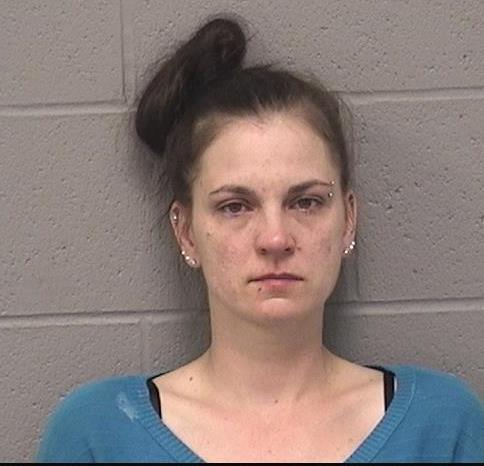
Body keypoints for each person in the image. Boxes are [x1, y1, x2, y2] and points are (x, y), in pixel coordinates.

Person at [37, 16, 483, 463]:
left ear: (348, 220)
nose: (275, 238)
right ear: (186, 231)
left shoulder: (442, 427)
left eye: (306, 202)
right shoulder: (97, 435)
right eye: (235, 206)